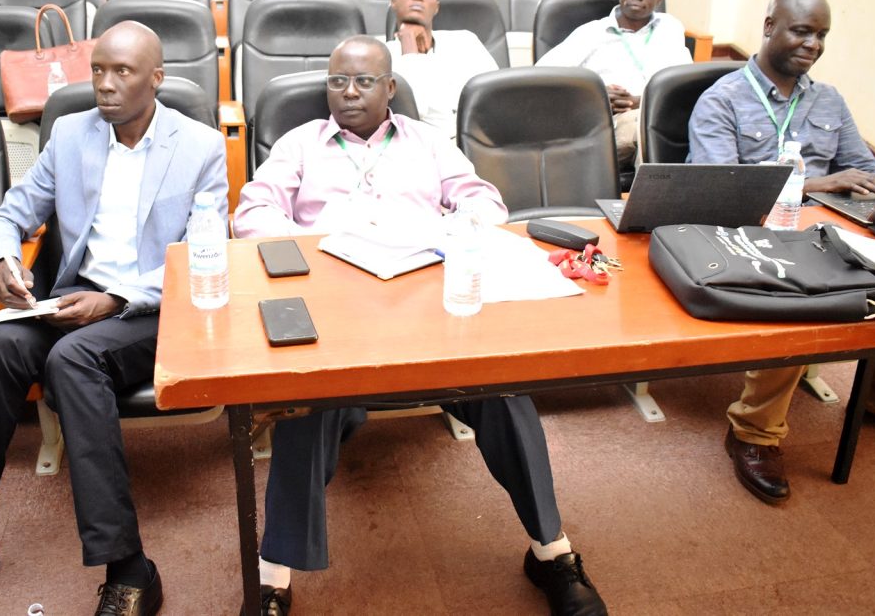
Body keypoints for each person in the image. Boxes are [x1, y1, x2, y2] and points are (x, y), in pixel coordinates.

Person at [233, 35, 607, 616]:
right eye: (337, 81)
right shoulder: (300, 143)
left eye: (363, 82)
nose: (349, 92)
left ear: (390, 88)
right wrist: (309, 244)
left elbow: (483, 200)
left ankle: (552, 552)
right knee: (305, 406)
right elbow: (253, 211)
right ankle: (273, 578)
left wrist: (459, 228)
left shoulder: (428, 142)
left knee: (504, 392)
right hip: (334, 306)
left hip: (426, 302)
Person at [0, 22, 228, 616]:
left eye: (122, 72)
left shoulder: (200, 147)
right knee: (0, 349)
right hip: (72, 298)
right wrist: (4, 261)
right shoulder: (72, 135)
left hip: (151, 307)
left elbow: (207, 253)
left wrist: (120, 298)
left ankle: (129, 568)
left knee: (72, 359)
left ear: (156, 79)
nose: (104, 84)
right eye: (97, 70)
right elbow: (9, 214)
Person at [687, 0, 875, 505]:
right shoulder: (721, 99)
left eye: (821, 35)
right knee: (801, 305)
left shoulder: (829, 99)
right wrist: (817, 183)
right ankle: (753, 433)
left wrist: (848, 188)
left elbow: (861, 168)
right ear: (769, 28)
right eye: (801, 30)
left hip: (823, 231)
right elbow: (719, 188)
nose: (812, 44)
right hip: (750, 235)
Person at [536, 0, 691, 167]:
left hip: (661, 119)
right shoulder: (592, 33)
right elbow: (539, 77)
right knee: (645, 128)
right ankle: (653, 198)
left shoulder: (669, 28)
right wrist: (594, 97)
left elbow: (684, 85)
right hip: (608, 126)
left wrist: (641, 101)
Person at [385, 0, 499, 140]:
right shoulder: (382, 55)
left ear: (437, 6)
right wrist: (409, 45)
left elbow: (494, 96)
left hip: (475, 142)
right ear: (393, 1)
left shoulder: (466, 42)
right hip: (419, 147)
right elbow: (415, 112)